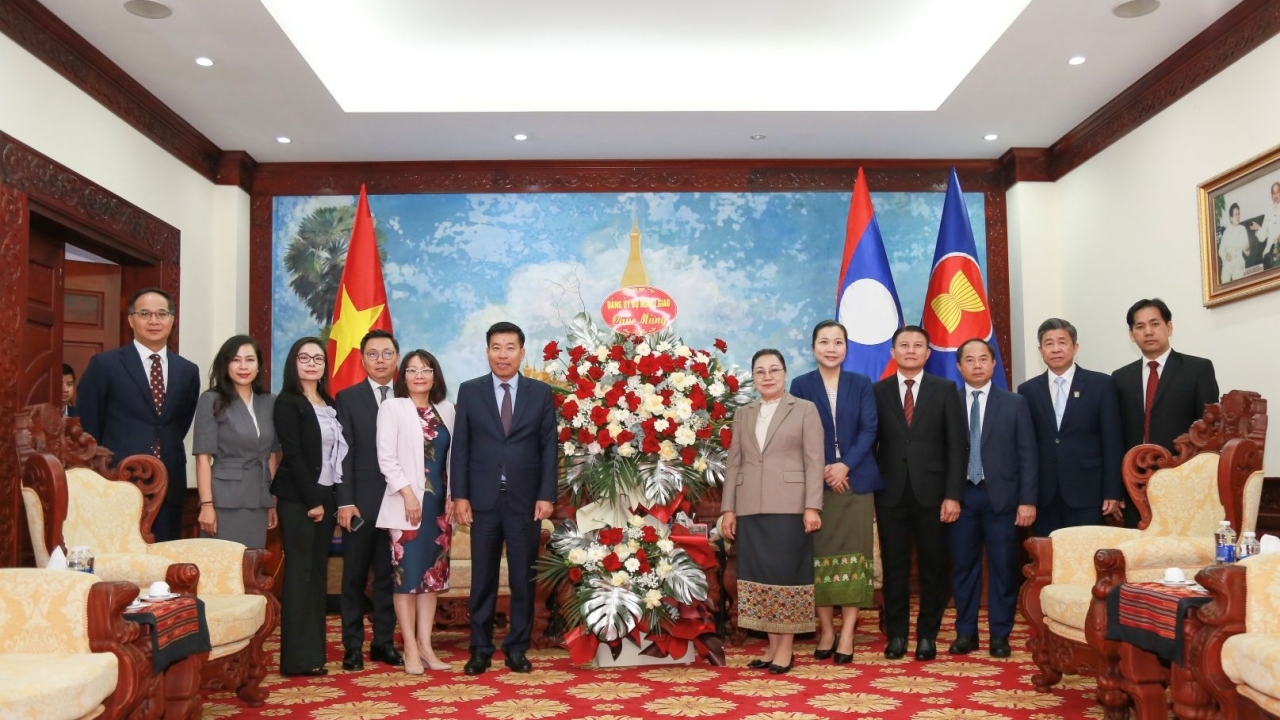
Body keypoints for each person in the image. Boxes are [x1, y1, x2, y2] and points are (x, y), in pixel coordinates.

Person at [450, 322, 558, 675]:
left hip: (525, 502)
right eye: (496, 347)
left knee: (523, 579)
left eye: (510, 347)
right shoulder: (470, 391)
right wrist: (459, 496)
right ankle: (479, 649)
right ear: (487, 352)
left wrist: (546, 495)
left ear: (522, 352)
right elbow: (461, 447)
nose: (503, 354)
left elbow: (547, 448)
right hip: (481, 501)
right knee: (483, 578)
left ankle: (516, 648)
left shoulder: (540, 393)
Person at [721, 349, 824, 674]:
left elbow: (814, 460)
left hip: (791, 506)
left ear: (784, 373)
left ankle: (786, 649)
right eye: (761, 370)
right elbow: (734, 461)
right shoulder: (743, 413)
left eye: (774, 370)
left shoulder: (805, 409)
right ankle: (770, 646)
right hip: (750, 504)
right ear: (753, 376)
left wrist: (812, 506)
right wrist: (728, 509)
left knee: (786, 577)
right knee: (757, 578)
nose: (767, 376)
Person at [871, 325, 965, 662]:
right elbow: (871, 443)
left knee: (933, 568)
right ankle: (896, 635)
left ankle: (927, 636)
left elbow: (957, 447)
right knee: (895, 570)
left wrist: (953, 495)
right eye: (904, 345)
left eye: (918, 345)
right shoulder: (878, 391)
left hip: (934, 495)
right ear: (892, 353)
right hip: (890, 493)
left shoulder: (945, 390)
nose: (911, 350)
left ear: (928, 353)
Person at [77, 287, 200, 541]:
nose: (154, 321)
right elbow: (88, 428)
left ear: (172, 320)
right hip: (118, 483)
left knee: (164, 563)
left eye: (161, 313)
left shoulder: (187, 370)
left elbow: (178, 424)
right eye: (145, 313)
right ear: (131, 319)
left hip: (169, 483)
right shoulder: (105, 365)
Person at [789, 321, 880, 663]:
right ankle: (826, 630)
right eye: (824, 342)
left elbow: (870, 428)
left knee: (855, 558)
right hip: (817, 484)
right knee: (821, 560)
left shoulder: (861, 383)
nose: (831, 348)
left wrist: (845, 465)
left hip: (857, 481)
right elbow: (799, 431)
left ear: (846, 348)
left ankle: (847, 633)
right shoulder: (801, 385)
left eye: (838, 342)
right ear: (814, 348)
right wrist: (828, 467)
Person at [949, 338, 1037, 659]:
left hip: (1002, 500)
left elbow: (1028, 455)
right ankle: (965, 633)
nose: (976, 365)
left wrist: (1028, 501)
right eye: (969, 360)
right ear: (959, 367)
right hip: (962, 499)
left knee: (1003, 569)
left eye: (983, 359)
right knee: (963, 568)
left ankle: (1000, 634)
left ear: (993, 364)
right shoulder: (949, 402)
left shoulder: (1014, 403)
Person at [376, 350, 455, 675]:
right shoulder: (392, 407)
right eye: (412, 370)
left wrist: (453, 495)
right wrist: (408, 495)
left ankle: (426, 645)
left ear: (435, 375)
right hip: (405, 506)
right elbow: (386, 457)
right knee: (405, 578)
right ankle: (408, 645)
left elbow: (453, 458)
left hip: (438, 509)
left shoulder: (447, 409)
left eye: (426, 369)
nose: (419, 375)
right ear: (403, 376)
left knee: (431, 579)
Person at [272, 337, 345, 676]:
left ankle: (314, 655)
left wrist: (328, 500)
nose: (312, 363)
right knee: (300, 576)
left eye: (318, 358)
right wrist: (312, 500)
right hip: (300, 499)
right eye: (304, 357)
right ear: (294, 363)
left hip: (326, 497)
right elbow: (295, 455)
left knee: (317, 576)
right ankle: (297, 660)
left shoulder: (328, 402)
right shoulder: (288, 402)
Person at [1112, 299, 1219, 527]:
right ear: (1131, 334)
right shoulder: (1119, 378)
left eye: (1155, 324)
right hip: (1135, 483)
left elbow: (1210, 430)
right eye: (1139, 327)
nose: (1148, 332)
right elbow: (1116, 433)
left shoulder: (1197, 369)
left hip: (1183, 480)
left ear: (1169, 327)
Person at [334, 330, 404, 671]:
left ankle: (383, 643)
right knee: (354, 578)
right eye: (373, 354)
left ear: (397, 358)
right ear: (362, 359)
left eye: (387, 353)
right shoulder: (347, 398)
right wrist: (344, 501)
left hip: (398, 505)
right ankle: (352, 647)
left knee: (388, 577)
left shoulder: (409, 397)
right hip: (360, 505)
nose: (380, 360)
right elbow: (342, 455)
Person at [1017, 319, 1124, 536]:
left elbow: (1112, 441)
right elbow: (1026, 446)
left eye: (1062, 342)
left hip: (1088, 492)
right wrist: (1027, 496)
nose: (1056, 349)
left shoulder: (1101, 384)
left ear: (1075, 347)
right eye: (1049, 343)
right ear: (1040, 350)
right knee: (1049, 559)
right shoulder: (1027, 390)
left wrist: (1113, 491)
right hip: (1044, 495)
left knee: (1085, 557)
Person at [192, 335, 280, 549]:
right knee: (221, 568)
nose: (243, 366)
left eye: (250, 360)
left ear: (259, 365)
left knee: (250, 569)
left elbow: (272, 455)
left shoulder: (269, 402)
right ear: (226, 364)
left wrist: (271, 501)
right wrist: (206, 505)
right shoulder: (211, 400)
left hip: (259, 499)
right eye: (236, 360)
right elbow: (203, 459)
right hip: (224, 500)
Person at [1247, 182, 1280, 268]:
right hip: (1270, 252)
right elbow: (1263, 237)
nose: (1275, 195)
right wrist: (1258, 227)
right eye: (1273, 193)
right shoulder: (1268, 212)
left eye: (1277, 192)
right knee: (1268, 260)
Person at [1219, 203, 1250, 283]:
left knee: (1238, 281)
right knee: (1225, 281)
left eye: (1238, 214)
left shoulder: (1242, 229)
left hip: (1238, 262)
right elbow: (1221, 250)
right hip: (1228, 263)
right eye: (1236, 214)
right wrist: (1226, 255)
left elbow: (1247, 251)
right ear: (1231, 218)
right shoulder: (1226, 232)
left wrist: (1247, 248)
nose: (1238, 216)